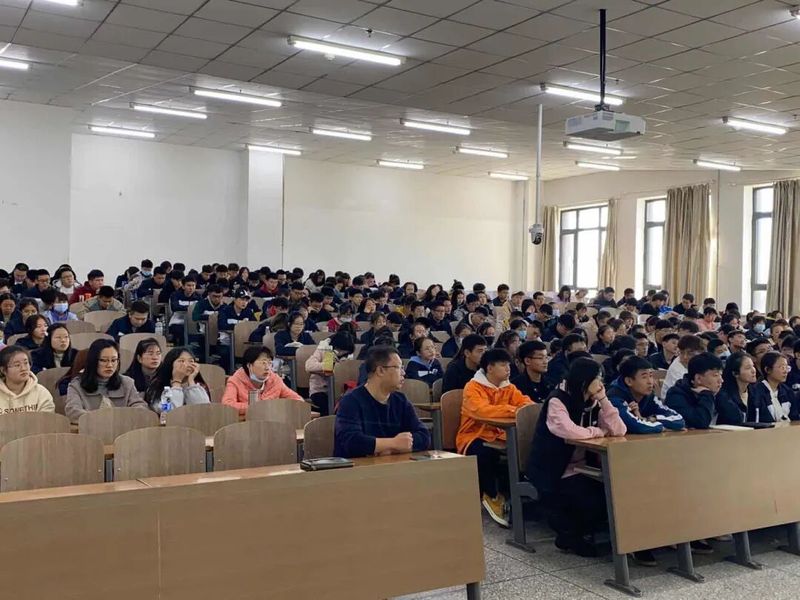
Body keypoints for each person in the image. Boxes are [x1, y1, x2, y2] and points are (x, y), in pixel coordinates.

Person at [526, 358, 626, 556]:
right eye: (597, 378)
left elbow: (619, 430)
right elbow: (568, 431)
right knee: (589, 498)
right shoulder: (558, 399)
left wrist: (604, 400)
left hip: (582, 465)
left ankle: (577, 534)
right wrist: (596, 431)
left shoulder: (593, 401)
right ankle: (570, 536)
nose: (601, 383)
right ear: (584, 380)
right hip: (554, 468)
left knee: (611, 492)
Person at [456, 348, 532, 526]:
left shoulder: (509, 387)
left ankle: (520, 496)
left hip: (502, 435)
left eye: (508, 365)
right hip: (474, 435)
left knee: (526, 447)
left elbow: (526, 404)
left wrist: (516, 410)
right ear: (490, 368)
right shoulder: (473, 387)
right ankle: (491, 495)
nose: (508, 369)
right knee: (484, 453)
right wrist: (513, 410)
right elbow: (482, 411)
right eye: (503, 365)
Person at [334, 346, 430, 458]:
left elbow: (424, 436)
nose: (403, 373)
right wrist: (394, 443)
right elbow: (351, 442)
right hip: (358, 467)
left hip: (393, 464)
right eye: (399, 367)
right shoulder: (351, 401)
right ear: (380, 370)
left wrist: (391, 450)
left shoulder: (401, 400)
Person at [64, 339, 147, 422]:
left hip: (123, 428)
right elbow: (73, 412)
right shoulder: (76, 385)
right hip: (91, 427)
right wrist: (104, 420)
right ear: (93, 361)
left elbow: (140, 407)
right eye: (103, 360)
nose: (109, 365)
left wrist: (121, 419)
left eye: (113, 360)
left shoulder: (127, 383)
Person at [608, 356, 685, 435]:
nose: (650, 382)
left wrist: (652, 419)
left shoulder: (650, 396)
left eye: (651, 376)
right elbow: (637, 426)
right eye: (644, 377)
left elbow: (679, 420)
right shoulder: (615, 397)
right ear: (629, 381)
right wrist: (662, 428)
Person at [665, 353, 743, 429]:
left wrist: (717, 396)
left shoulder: (715, 391)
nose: (721, 380)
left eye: (721, 375)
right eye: (715, 375)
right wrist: (706, 395)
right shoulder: (676, 395)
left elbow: (737, 418)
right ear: (698, 378)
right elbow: (700, 422)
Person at [222, 346, 302, 415]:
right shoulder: (235, 380)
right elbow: (227, 405)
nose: (267, 368)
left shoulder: (275, 379)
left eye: (269, 363)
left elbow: (298, 400)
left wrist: (278, 407)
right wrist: (258, 407)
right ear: (249, 365)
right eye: (263, 363)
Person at [143, 347, 210, 412]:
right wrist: (177, 382)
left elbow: (204, 410)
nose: (187, 365)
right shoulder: (158, 386)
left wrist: (191, 381)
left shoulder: (198, 386)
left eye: (191, 361)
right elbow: (167, 410)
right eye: (181, 361)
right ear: (170, 364)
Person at [305, 331, 356, 416]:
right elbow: (309, 366)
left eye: (344, 351)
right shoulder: (324, 349)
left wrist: (342, 366)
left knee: (347, 405)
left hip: (340, 390)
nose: (342, 353)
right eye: (340, 350)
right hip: (320, 390)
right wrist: (329, 363)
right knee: (326, 407)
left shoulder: (348, 355)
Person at [747, 351, 799, 423]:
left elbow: (794, 418)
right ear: (767, 369)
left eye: (787, 367)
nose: (785, 371)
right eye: (782, 367)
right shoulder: (756, 392)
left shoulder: (787, 391)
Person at [0, 345, 55, 413]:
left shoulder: (41, 393)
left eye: (26, 363)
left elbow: (47, 418)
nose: (23, 368)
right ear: (3, 370)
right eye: (17, 365)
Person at [660, 335, 705, 399]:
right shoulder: (676, 368)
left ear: (701, 352)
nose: (685, 357)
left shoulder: (703, 362)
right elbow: (687, 392)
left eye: (690, 353)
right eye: (681, 352)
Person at [717, 352, 758, 418]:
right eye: (748, 368)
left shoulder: (755, 391)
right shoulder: (724, 395)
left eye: (753, 366)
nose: (753, 370)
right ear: (735, 373)